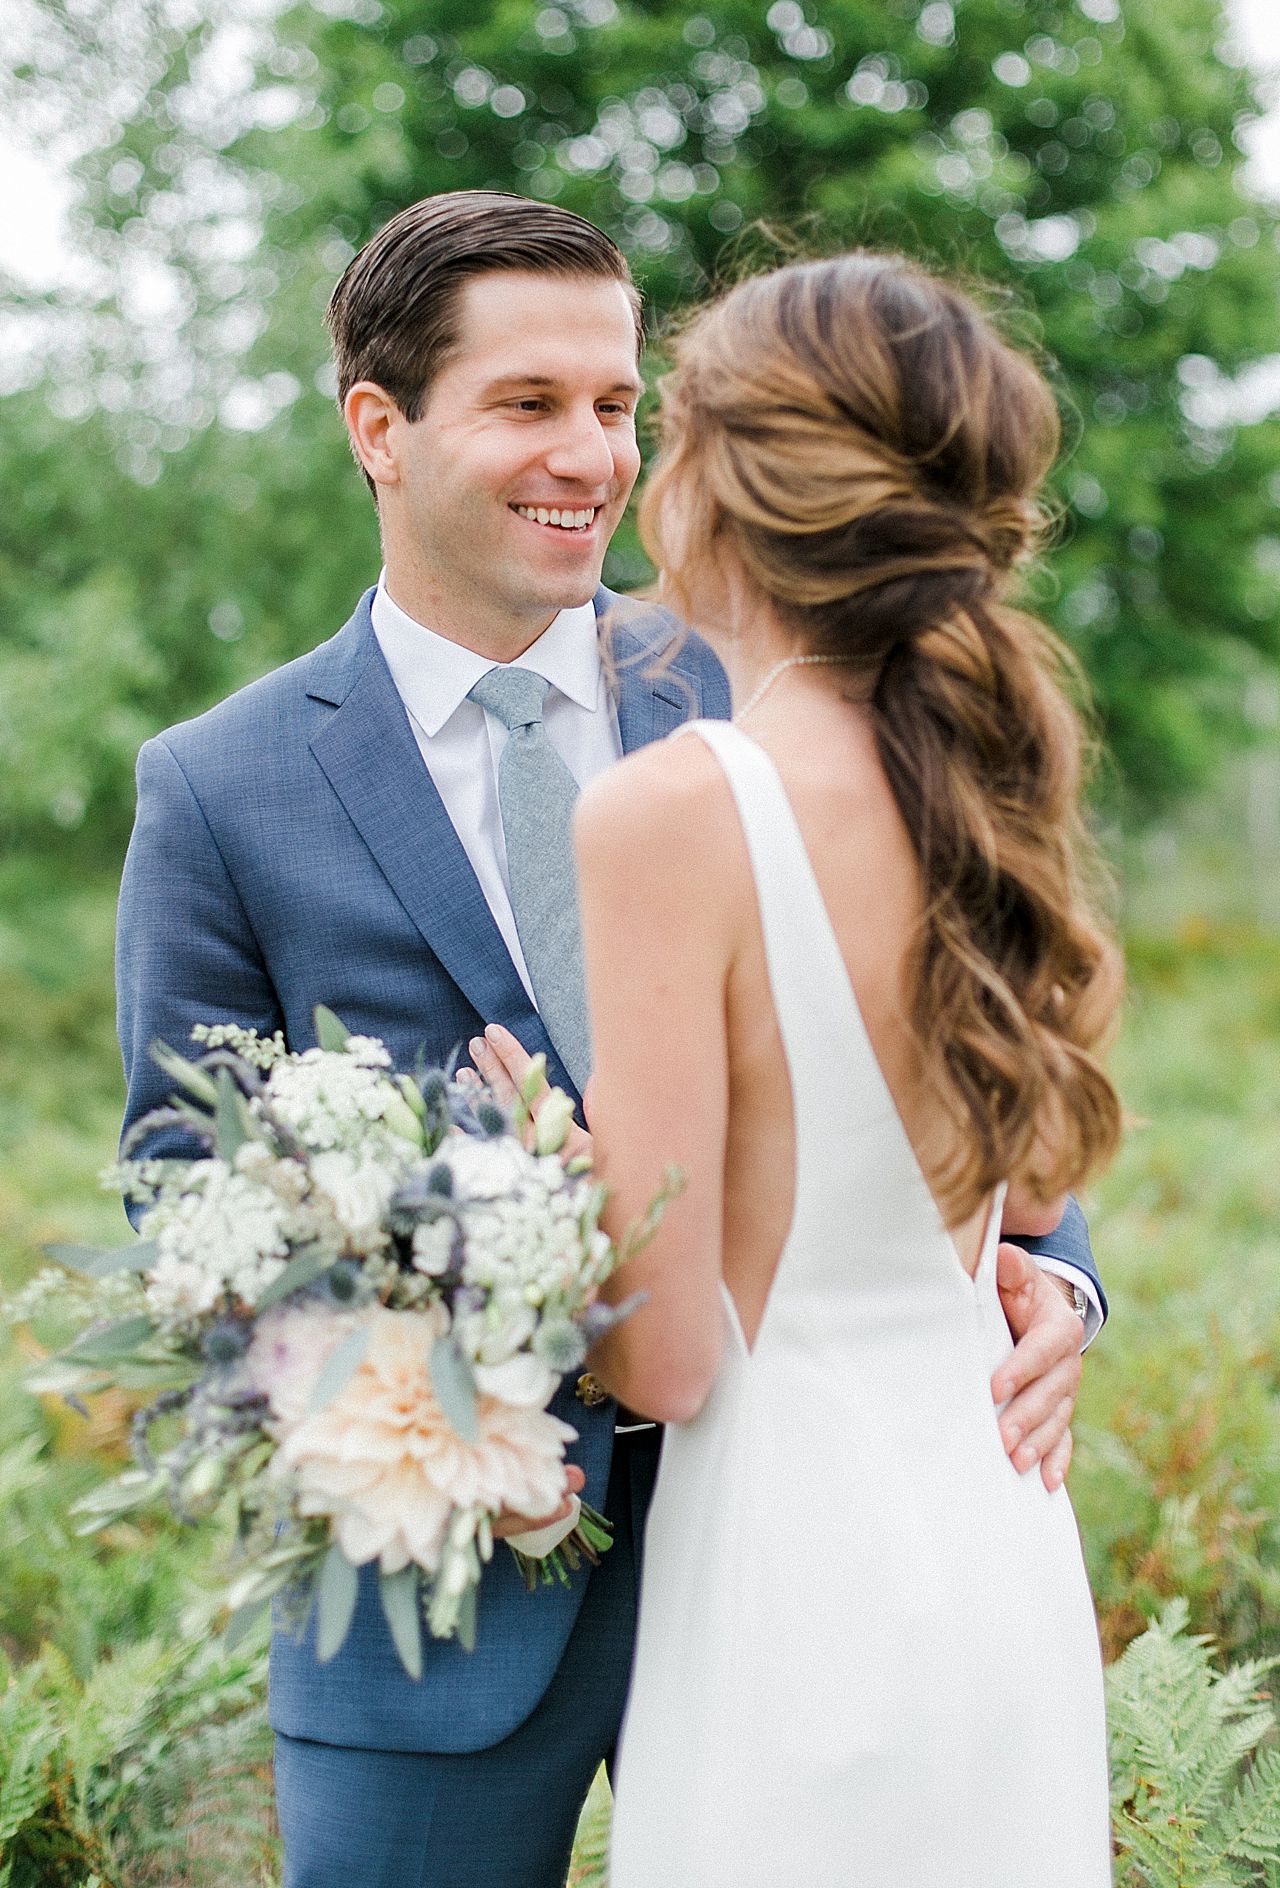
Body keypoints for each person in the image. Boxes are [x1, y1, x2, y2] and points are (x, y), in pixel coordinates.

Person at [115, 197, 1107, 1888]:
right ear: (379, 424)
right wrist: (424, 1393)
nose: (590, 453)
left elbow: (970, 1041)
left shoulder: (787, 699)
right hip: (445, 1617)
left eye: (619, 405)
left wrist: (1053, 1281)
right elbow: (183, 1199)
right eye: (528, 404)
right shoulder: (222, 785)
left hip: (810, 1573)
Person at [577, 253, 1121, 1884]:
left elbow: (662, 1364)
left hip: (797, 1575)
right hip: (1000, 1533)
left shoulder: (676, 811)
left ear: (721, 486)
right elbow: (1030, 1197)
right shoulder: (993, 769)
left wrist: (534, 1176)